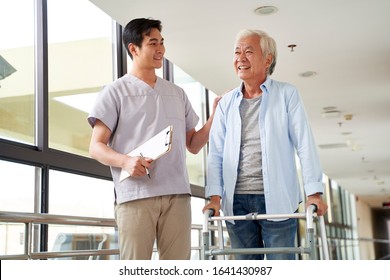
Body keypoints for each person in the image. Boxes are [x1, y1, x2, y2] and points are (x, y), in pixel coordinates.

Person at [88, 18, 220, 260]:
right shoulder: (114, 92)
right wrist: (126, 161)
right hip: (135, 196)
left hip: (177, 195)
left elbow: (193, 144)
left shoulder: (177, 93)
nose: (160, 49)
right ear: (133, 48)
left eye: (161, 42)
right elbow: (96, 147)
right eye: (152, 43)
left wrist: (214, 119)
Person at [203, 29, 328, 260]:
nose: (240, 58)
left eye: (249, 52)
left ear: (268, 59)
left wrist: (314, 192)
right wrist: (214, 197)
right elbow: (216, 154)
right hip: (236, 202)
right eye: (237, 52)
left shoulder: (287, 94)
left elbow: (304, 144)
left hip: (278, 199)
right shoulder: (225, 103)